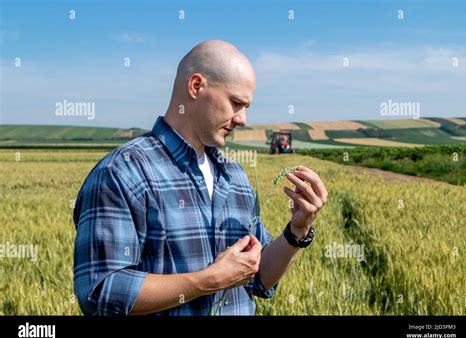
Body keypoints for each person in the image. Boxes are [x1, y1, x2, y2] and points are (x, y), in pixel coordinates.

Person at [73, 40, 328, 315]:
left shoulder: (235, 177)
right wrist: (209, 281)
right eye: (235, 103)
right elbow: (99, 293)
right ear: (196, 86)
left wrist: (297, 230)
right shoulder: (123, 171)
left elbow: (259, 277)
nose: (242, 119)